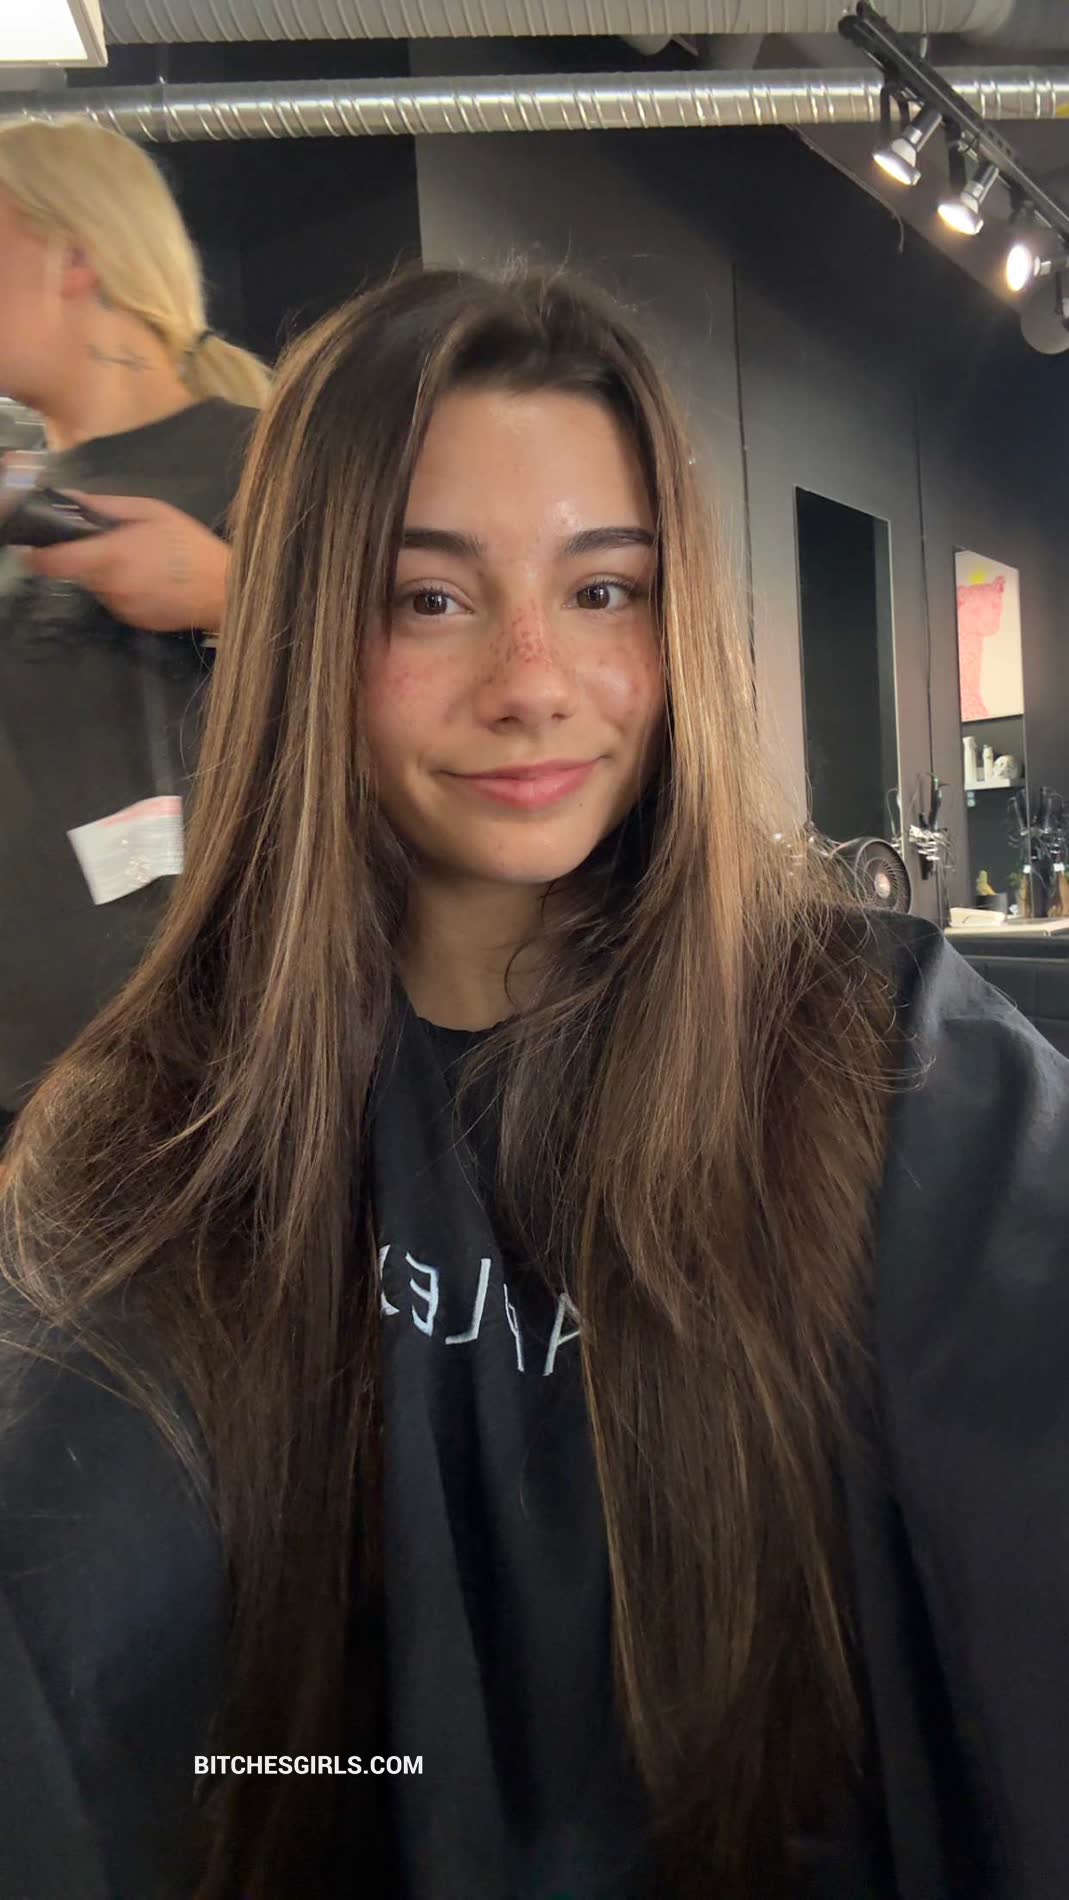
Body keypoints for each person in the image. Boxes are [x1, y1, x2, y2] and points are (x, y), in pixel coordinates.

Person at [2, 265, 1068, 1900]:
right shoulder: (154, 1134)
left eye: (602, 590)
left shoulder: (881, 1056)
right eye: (429, 599)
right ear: (303, 629)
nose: (531, 681)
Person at [0, 115, 268, 1144]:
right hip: (25, 1099)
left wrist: (231, 595)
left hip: (188, 1098)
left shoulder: (274, 461)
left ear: (72, 254)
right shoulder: (21, 495)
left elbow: (418, 697)